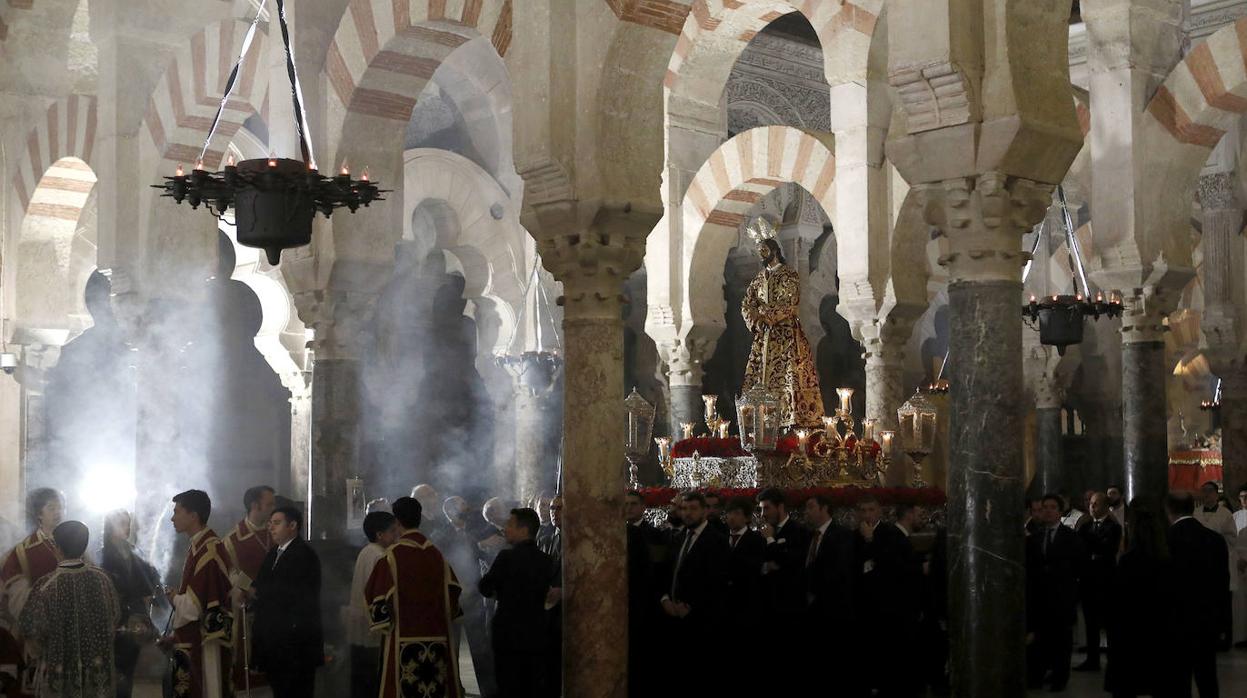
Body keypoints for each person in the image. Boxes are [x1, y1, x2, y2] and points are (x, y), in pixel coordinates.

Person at [365, 496, 464, 698]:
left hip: (402, 641)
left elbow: (376, 598)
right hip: (437, 641)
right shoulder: (437, 556)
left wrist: (385, 622)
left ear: (397, 522)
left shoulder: (392, 556)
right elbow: (453, 596)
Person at [19, 521, 120, 698]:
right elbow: (114, 618)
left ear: (56, 547)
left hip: (58, 674)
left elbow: (31, 629)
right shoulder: (102, 580)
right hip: (96, 675)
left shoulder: (46, 585)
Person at [740, 224, 824, 428]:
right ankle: (761, 426)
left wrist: (765, 316)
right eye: (760, 252)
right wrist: (755, 320)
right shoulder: (758, 279)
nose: (762, 255)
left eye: (765, 251)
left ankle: (793, 422)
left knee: (790, 377)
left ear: (774, 250)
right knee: (759, 379)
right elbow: (746, 304)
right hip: (763, 338)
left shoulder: (789, 275)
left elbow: (788, 303)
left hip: (786, 337)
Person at [479, 508, 556, 698]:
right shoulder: (547, 561)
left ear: (524, 530)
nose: (505, 529)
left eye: (510, 525)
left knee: (508, 685)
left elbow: (485, 587)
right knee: (532, 687)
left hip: (508, 635)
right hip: (537, 634)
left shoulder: (506, 557)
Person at [164, 489, 234, 698]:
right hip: (194, 638)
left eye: (177, 512)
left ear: (193, 515)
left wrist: (174, 597)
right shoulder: (199, 545)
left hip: (204, 642)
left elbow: (195, 607)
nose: (172, 518)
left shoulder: (208, 550)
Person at [660, 492, 729, 693]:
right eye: (684, 509)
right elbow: (666, 572)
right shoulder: (678, 537)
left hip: (701, 621)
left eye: (693, 509)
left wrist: (690, 606)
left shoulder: (717, 541)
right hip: (672, 617)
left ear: (705, 511)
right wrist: (665, 599)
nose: (687, 514)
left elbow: (716, 581)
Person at [251, 506, 323, 697]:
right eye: (270, 523)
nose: (271, 528)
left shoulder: (304, 555)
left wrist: (260, 592)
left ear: (292, 525)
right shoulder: (274, 553)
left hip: (295, 644)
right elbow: (263, 583)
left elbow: (294, 594)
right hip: (275, 642)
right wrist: (251, 592)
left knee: (296, 691)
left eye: (276, 523)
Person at [0, 488, 65, 697]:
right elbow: (19, 602)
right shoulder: (22, 553)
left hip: (70, 638)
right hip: (37, 639)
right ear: (38, 513)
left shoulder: (74, 547)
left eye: (61, 507)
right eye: (51, 508)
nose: (58, 512)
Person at [1105, 499, 1172, 698]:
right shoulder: (1166, 560)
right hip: (1159, 635)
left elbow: (1117, 603)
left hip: (1129, 636)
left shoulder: (1128, 561)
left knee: (1127, 686)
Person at [1166, 491, 1229, 697]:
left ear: (1168, 510)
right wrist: (1222, 622)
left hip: (1174, 620)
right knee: (1207, 675)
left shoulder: (1166, 539)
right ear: (1193, 507)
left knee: (1177, 678)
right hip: (1207, 619)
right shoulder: (1215, 539)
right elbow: (1222, 584)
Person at [1025, 494, 1086, 692]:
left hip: (1062, 597)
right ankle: (1037, 675)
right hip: (1039, 598)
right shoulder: (1034, 538)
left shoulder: (1071, 537)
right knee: (1039, 639)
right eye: (1044, 508)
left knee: (1062, 640)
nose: (1048, 511)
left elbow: (1078, 567)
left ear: (1060, 512)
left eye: (1052, 507)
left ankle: (1060, 678)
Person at [802, 495, 861, 694]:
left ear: (824, 508)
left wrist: (815, 592)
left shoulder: (841, 535)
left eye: (811, 507)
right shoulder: (811, 536)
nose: (806, 512)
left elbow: (838, 571)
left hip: (834, 612)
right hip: (816, 613)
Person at [99, 509, 159, 698]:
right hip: (115, 618)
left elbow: (150, 577)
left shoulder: (134, 552)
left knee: (133, 667)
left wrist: (149, 593)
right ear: (110, 526)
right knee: (116, 670)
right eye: (122, 523)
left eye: (128, 522)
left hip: (137, 618)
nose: (126, 527)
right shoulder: (102, 554)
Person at [222, 485, 274, 694]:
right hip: (248, 614)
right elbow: (230, 571)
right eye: (269, 504)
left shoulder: (276, 532)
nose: (273, 508)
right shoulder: (233, 539)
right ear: (255, 505)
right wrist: (249, 587)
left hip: (276, 612)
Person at [443, 496, 496, 698]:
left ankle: (488, 691)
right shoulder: (442, 534)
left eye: (466, 507)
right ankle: (454, 689)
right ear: (450, 512)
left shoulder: (477, 531)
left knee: (480, 648)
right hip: (452, 599)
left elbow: (487, 557)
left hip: (473, 598)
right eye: (463, 508)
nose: (468, 511)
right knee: (451, 647)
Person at [756, 487, 808, 693]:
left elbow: (792, 563)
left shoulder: (798, 532)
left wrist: (771, 543)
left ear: (780, 507)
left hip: (790, 608)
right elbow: (764, 563)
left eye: (767, 508)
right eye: (761, 510)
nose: (763, 514)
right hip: (767, 608)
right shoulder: (764, 533)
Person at [349, 511, 399, 698]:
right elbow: (380, 595)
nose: (396, 536)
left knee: (362, 680)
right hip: (373, 628)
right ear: (380, 535)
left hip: (361, 627)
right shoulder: (380, 556)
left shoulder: (366, 551)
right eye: (393, 531)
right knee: (373, 681)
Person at [1075, 491, 1122, 672]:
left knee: (1109, 624)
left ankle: (1113, 661)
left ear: (1104, 506)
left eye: (1095, 504)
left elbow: (1107, 550)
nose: (1091, 507)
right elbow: (1082, 550)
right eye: (1090, 504)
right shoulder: (1085, 527)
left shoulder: (1113, 527)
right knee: (1090, 623)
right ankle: (1092, 660)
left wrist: (1090, 548)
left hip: (1106, 582)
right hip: (1088, 581)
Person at [1193, 481, 1238, 651]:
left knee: (1223, 605)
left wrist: (1214, 539)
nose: (1206, 495)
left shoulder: (1225, 513)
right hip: (1201, 566)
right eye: (1203, 491)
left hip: (1220, 565)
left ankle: (1224, 639)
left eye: (1209, 491)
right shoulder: (1196, 512)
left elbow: (1232, 538)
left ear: (1216, 494)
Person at [624, 491, 659, 698]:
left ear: (643, 507)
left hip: (643, 604)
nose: (628, 508)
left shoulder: (653, 534)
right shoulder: (614, 531)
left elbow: (654, 570)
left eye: (633, 504)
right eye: (625, 504)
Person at [536, 496, 562, 698]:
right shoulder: (547, 537)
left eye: (559, 508)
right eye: (552, 508)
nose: (554, 512)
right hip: (547, 612)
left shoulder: (579, 539)